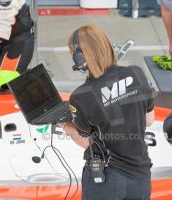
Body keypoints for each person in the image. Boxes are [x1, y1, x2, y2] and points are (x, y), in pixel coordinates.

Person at [57, 25, 155, 200]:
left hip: (107, 180)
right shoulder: (136, 72)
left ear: (80, 59)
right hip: (141, 175)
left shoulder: (80, 96)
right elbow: (149, 120)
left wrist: (64, 125)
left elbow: (87, 142)